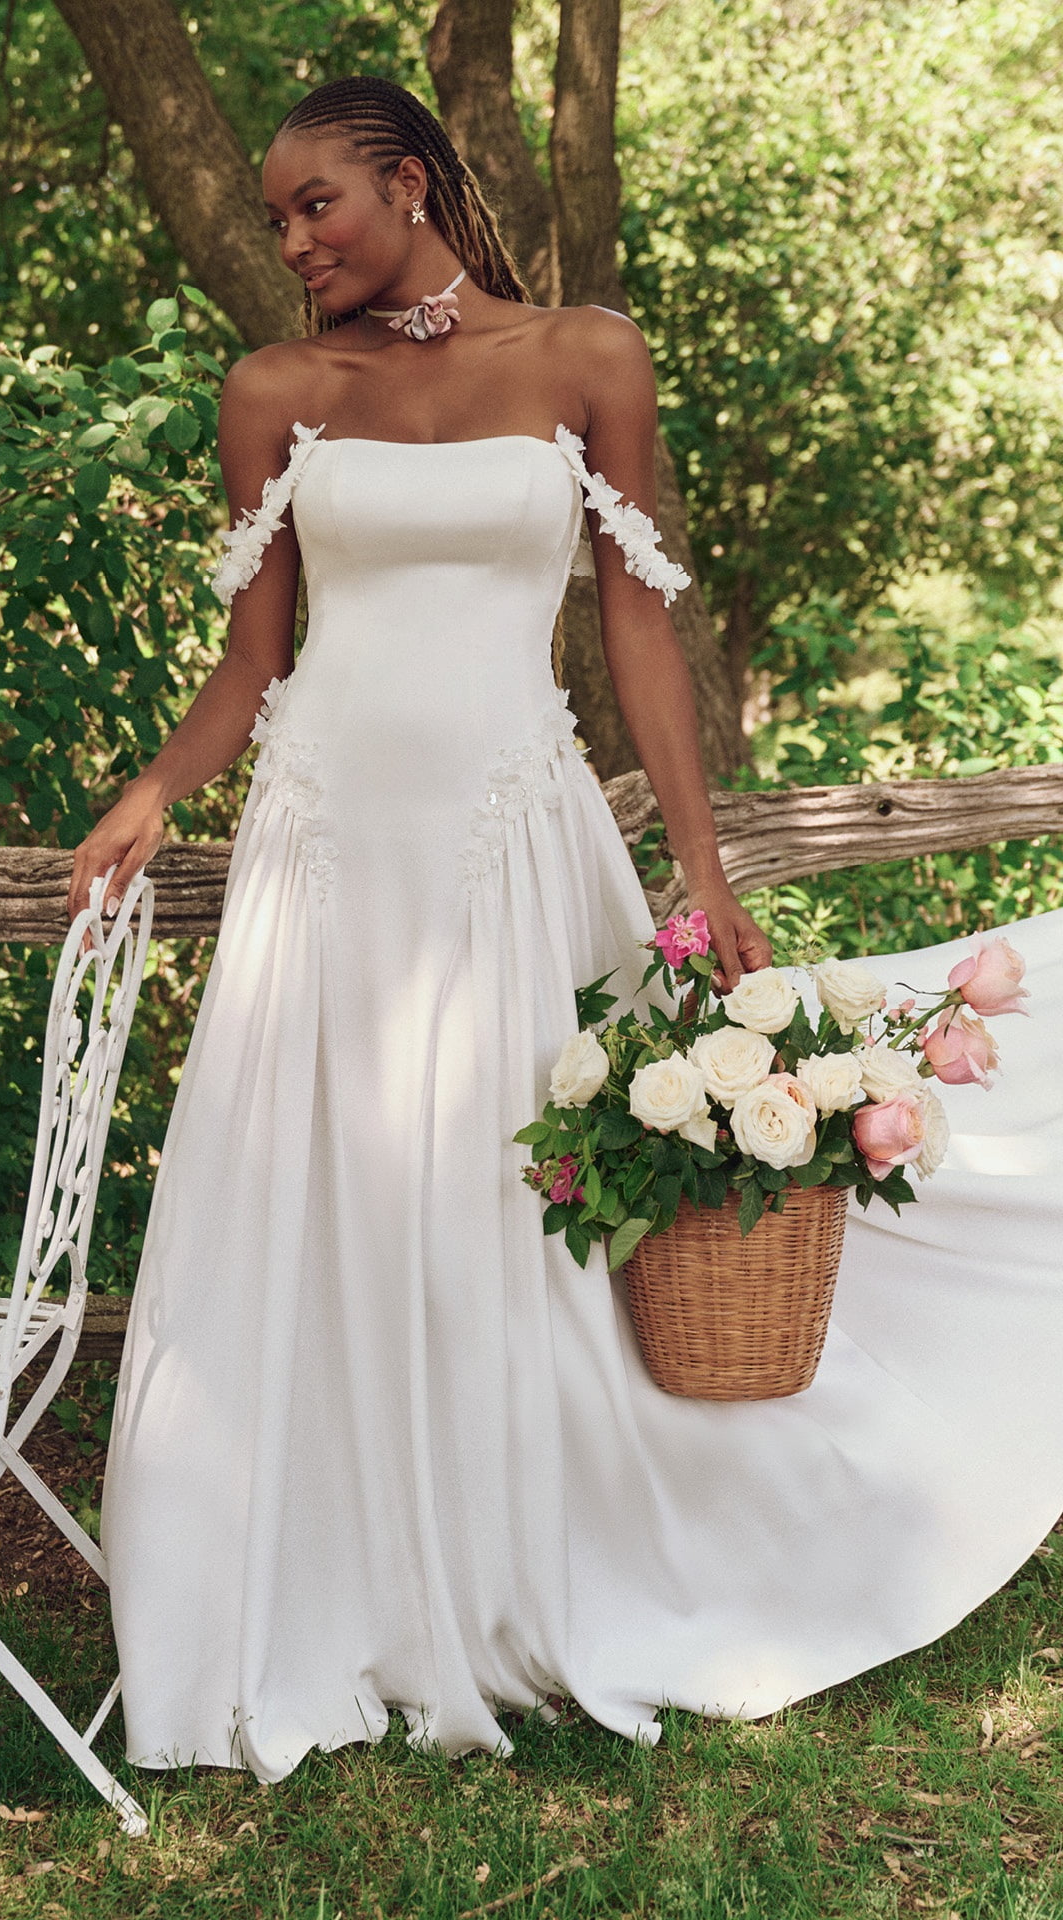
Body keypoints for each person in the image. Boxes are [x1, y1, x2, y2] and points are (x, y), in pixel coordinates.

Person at [69, 76, 1063, 1782]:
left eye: (318, 205)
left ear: (410, 180)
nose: (292, 242)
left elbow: (640, 625)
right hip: (326, 852)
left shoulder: (587, 355)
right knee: (333, 1194)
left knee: (525, 1205)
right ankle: (328, 1584)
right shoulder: (277, 393)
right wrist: (159, 789)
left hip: (517, 840)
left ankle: (543, 1559)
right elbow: (257, 660)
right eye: (277, 217)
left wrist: (704, 867)